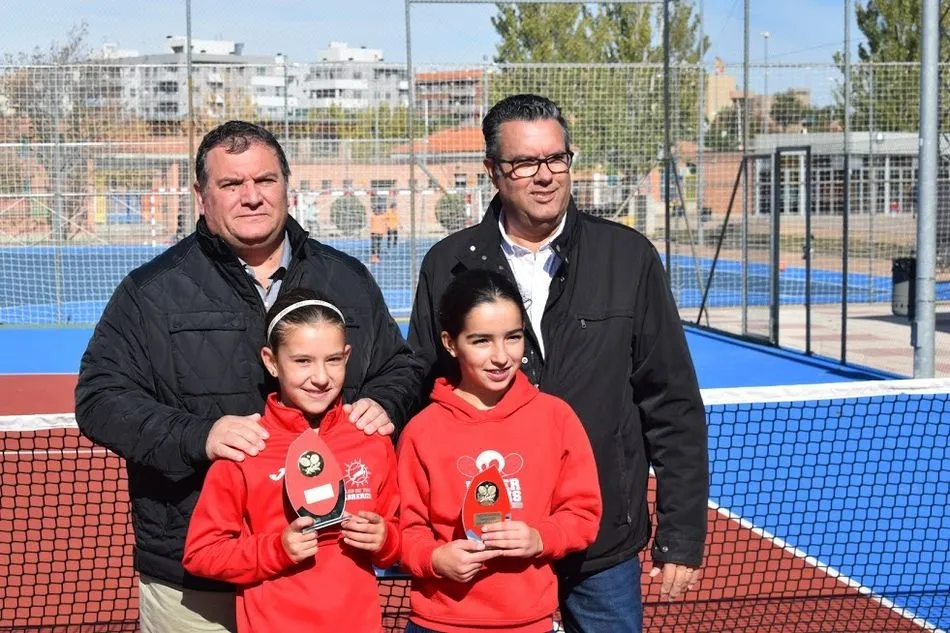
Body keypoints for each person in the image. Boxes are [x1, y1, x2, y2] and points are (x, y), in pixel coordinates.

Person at [75, 120, 421, 633]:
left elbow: (400, 367)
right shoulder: (151, 291)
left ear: (286, 185)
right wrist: (199, 435)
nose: (252, 196)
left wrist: (386, 401)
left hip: (322, 578)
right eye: (231, 184)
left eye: (264, 180)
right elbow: (100, 399)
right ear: (201, 197)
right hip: (195, 582)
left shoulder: (346, 278)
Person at [408, 94, 708, 633]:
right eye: (525, 163)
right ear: (493, 171)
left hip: (601, 543)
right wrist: (426, 543)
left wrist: (680, 535)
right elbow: (424, 394)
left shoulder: (628, 257)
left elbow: (672, 402)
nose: (545, 175)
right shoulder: (446, 264)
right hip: (486, 552)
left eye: (556, 158)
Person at [183, 288, 399, 632]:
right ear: (271, 361)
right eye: (302, 361)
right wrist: (276, 549)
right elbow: (201, 553)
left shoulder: (371, 438)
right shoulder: (246, 446)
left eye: (333, 360)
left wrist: (385, 539)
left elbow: (399, 536)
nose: (321, 377)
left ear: (347, 356)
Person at [398, 269, 602, 633]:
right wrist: (435, 558)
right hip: (438, 623)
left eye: (513, 337)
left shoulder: (556, 418)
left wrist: (540, 538)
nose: (501, 356)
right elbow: (405, 529)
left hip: (528, 622)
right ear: (450, 343)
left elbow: (583, 513)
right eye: (481, 341)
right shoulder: (421, 430)